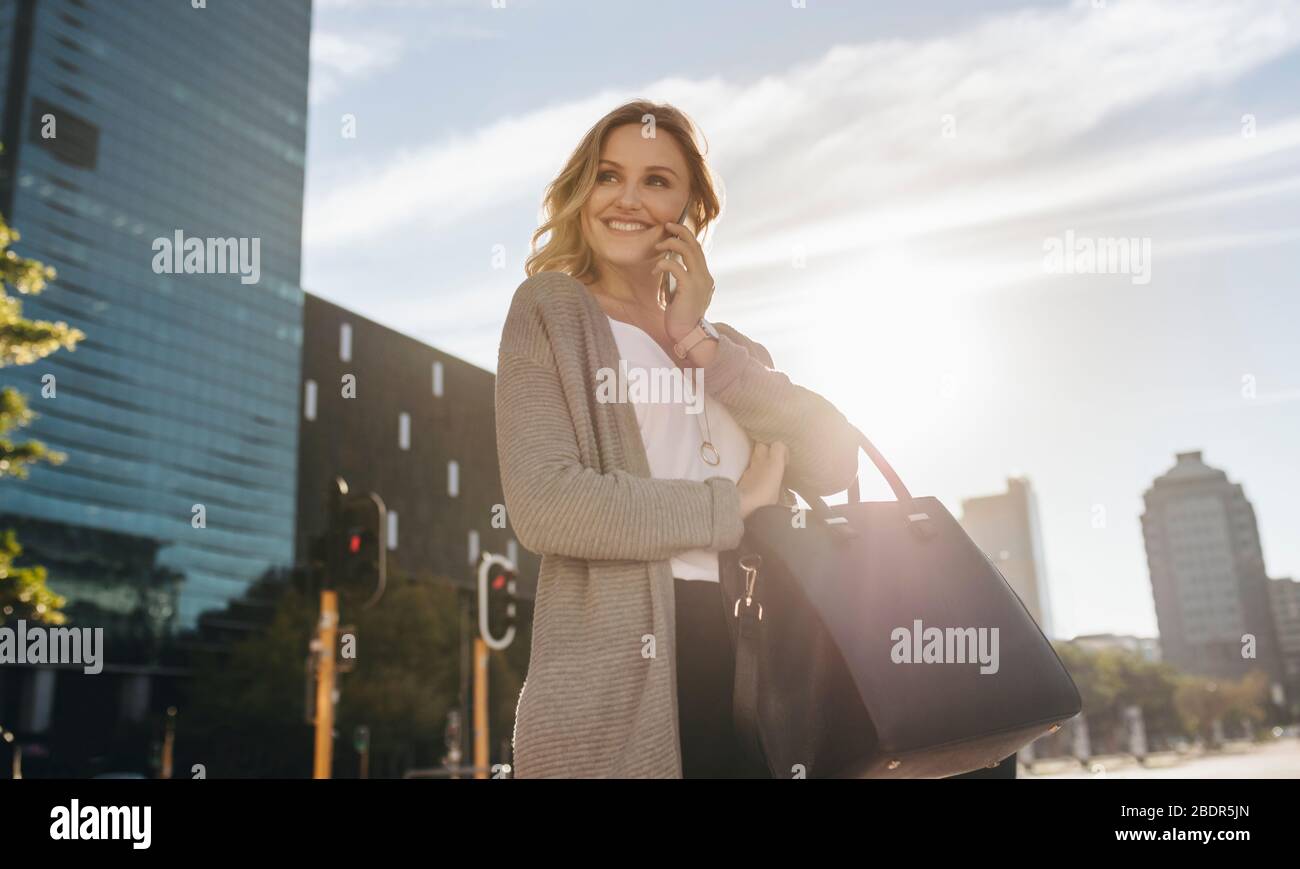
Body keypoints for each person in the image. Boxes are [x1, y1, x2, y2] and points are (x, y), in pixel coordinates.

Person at [495, 99, 861, 778]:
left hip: (761, 656)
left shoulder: (728, 347)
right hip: (624, 673)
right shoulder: (550, 310)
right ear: (583, 191)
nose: (627, 197)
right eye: (608, 176)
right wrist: (729, 506)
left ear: (693, 205)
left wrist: (701, 344)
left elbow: (837, 458)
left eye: (657, 180)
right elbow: (545, 502)